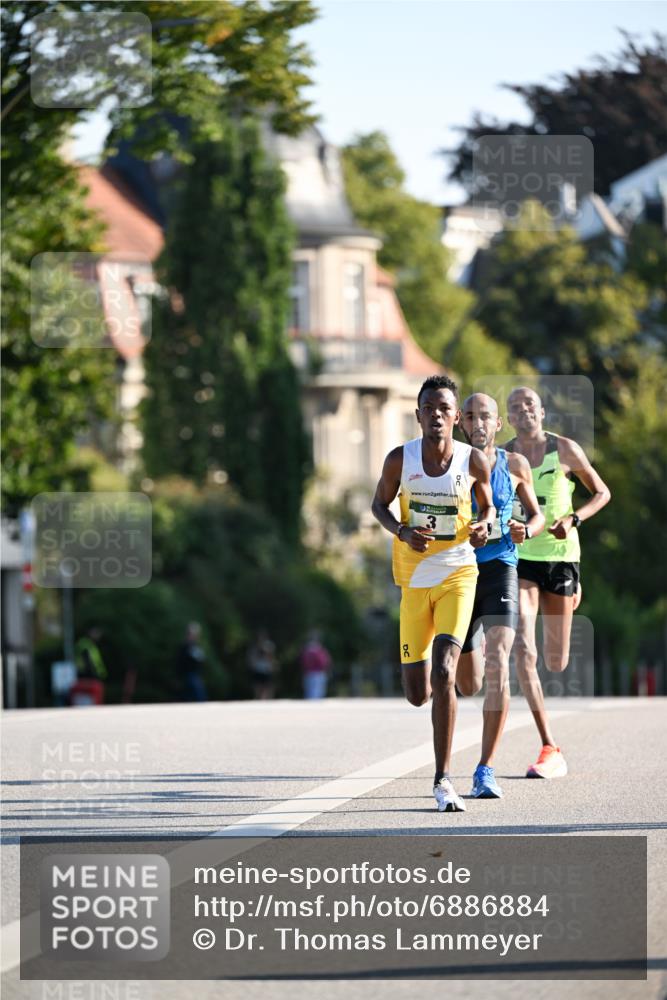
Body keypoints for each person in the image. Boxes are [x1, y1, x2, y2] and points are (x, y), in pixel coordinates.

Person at [371, 375, 495, 812]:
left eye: (445, 409)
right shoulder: (398, 460)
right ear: (418, 414)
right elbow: (378, 505)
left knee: (445, 672)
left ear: (455, 417)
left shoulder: (473, 460)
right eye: (430, 408)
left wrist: (484, 525)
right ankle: (468, 645)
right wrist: (403, 530)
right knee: (417, 692)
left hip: (459, 573)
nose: (437, 415)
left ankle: (443, 779)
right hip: (412, 581)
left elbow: (489, 508)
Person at [505, 386, 611, 777]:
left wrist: (574, 519)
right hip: (522, 560)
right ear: (510, 418)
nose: (523, 411)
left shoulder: (565, 450)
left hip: (562, 559)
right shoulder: (504, 458)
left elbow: (602, 492)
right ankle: (549, 743)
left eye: (529, 404)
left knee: (556, 659)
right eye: (515, 407)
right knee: (523, 646)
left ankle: (572, 594)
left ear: (542, 411)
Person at [458, 393, 546, 798]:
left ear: (498, 425)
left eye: (486, 416)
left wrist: (526, 529)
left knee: (498, 663)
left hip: (500, 570)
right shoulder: (451, 462)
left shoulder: (515, 464)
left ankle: (484, 769)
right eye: (471, 416)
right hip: (458, 575)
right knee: (469, 682)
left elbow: (537, 514)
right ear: (461, 422)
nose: (478, 423)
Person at [177, 622, 208, 702]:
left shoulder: (196, 646)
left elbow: (201, 660)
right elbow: (181, 661)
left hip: (195, 674)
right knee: (197, 694)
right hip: (188, 674)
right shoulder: (185, 646)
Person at [300, 631, 332, 700]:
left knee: (310, 693)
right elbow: (324, 662)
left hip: (309, 673)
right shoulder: (318, 649)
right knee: (317, 693)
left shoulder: (307, 649)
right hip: (317, 673)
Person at [247, 630, 277, 700]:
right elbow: (252, 658)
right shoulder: (255, 647)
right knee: (257, 687)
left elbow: (271, 657)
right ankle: (258, 700)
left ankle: (267, 700)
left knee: (268, 687)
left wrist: (272, 665)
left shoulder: (269, 645)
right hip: (258, 669)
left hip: (266, 669)